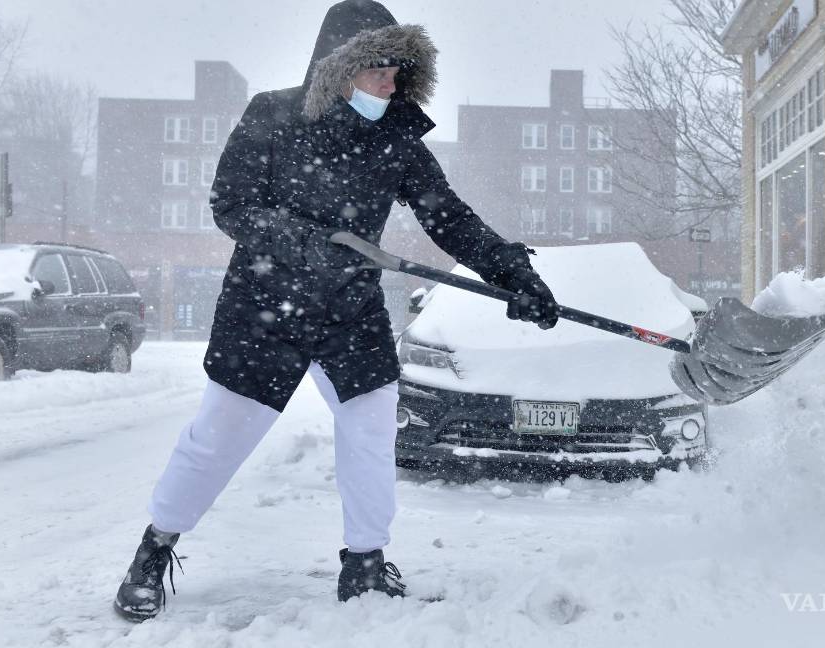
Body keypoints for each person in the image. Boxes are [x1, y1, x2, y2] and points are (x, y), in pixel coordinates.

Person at [113, 0, 559, 621]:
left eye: (399, 71)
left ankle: (365, 562)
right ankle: (154, 550)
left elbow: (445, 214)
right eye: (378, 68)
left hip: (349, 311)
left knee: (372, 430)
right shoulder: (272, 114)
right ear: (339, 66)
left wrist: (513, 272)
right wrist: (304, 242)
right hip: (263, 308)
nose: (390, 82)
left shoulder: (395, 135)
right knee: (217, 439)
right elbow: (232, 205)